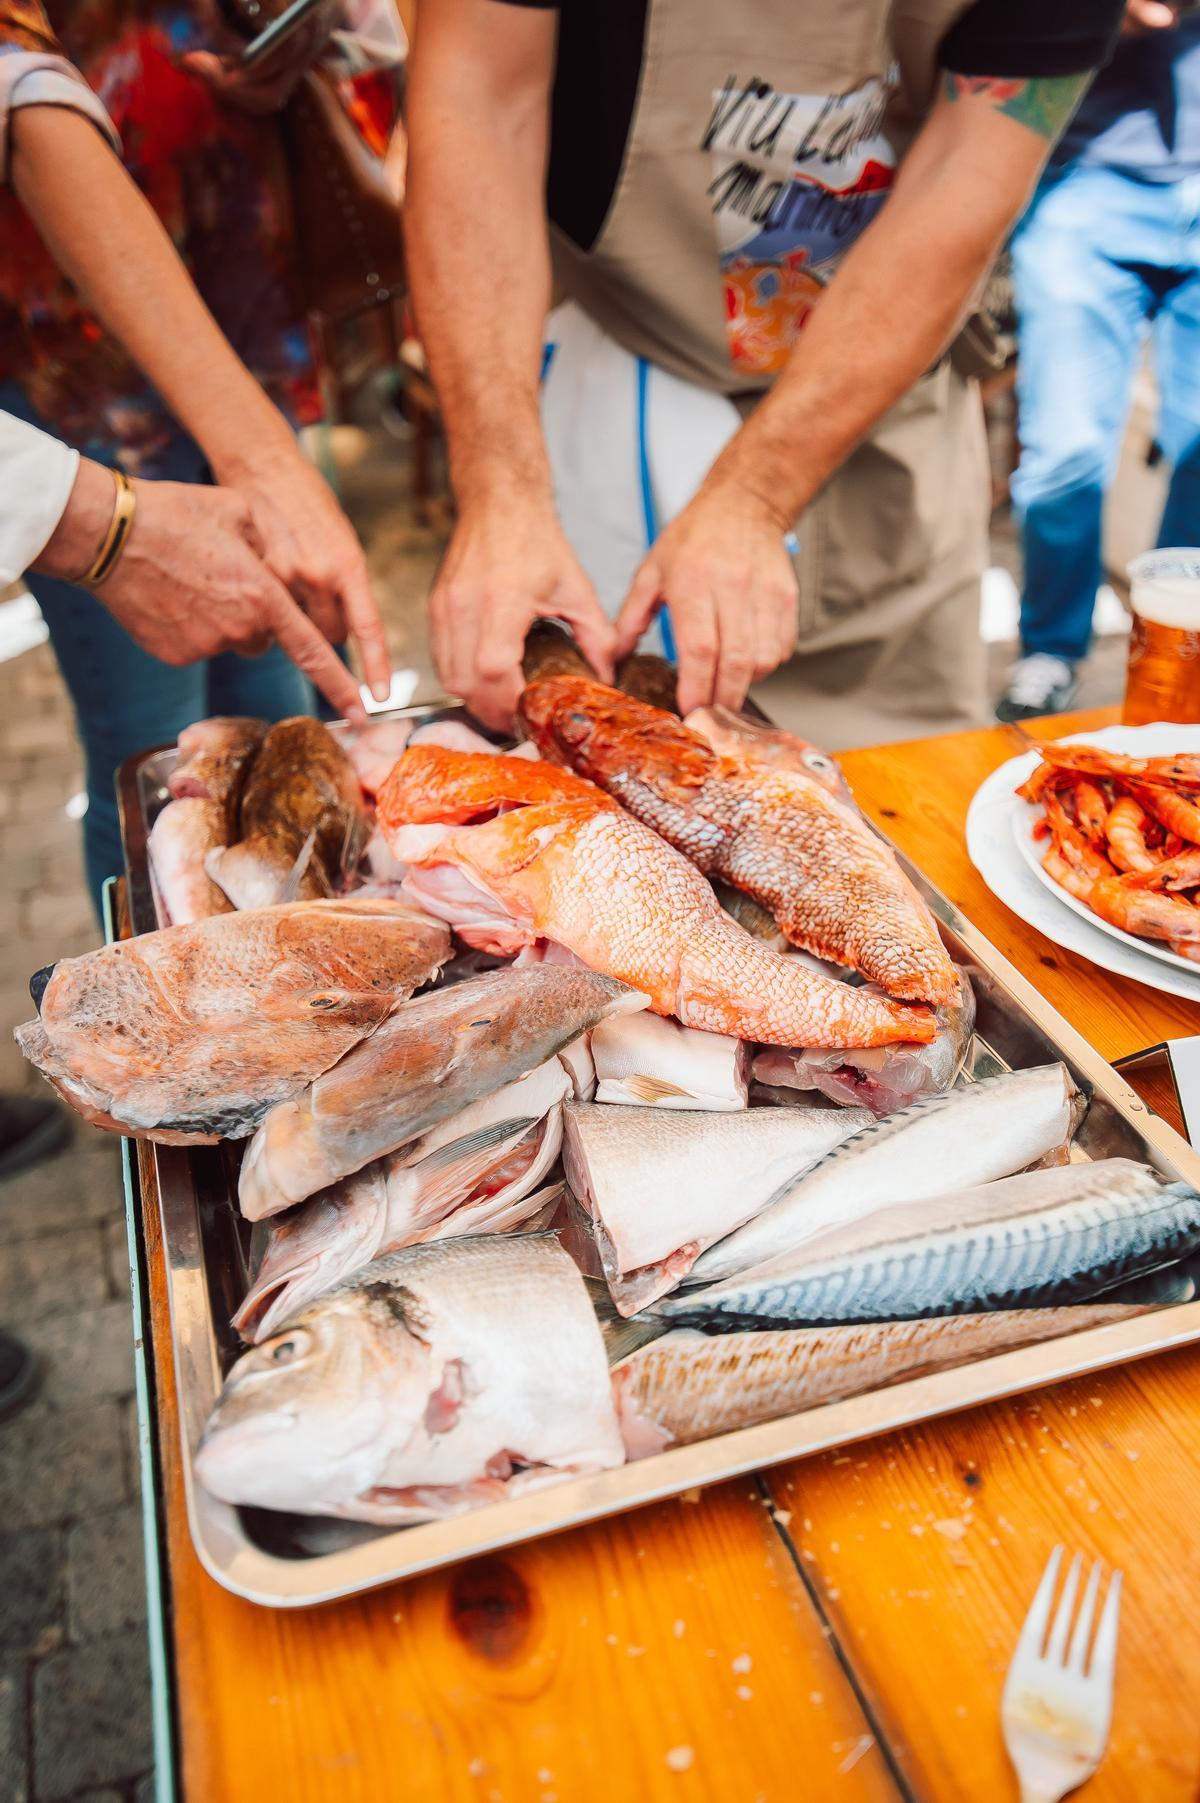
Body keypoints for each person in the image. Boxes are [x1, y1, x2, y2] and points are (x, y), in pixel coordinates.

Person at [405, 0, 1125, 746]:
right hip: (601, 366)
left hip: (877, 426)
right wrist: (502, 491)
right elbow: (481, 99)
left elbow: (965, 172)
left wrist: (755, 494)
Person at [0, 2, 399, 905]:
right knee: (155, 748)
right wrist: (112, 527)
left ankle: (300, 953)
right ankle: (150, 1007)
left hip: (241, 303)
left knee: (275, 708)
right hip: (74, 361)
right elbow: (16, 84)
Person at [997, 0, 1200, 722]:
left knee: (1198, 448)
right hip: (1087, 171)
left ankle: (1178, 662)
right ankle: (1050, 649)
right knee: (1067, 447)